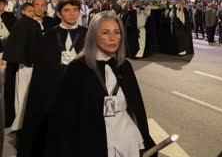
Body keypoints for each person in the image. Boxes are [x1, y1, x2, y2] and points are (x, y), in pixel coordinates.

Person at [50, 11, 156, 156]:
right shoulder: (78, 68)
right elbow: (67, 116)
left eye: (117, 32)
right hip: (93, 140)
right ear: (94, 36)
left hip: (126, 136)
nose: (113, 38)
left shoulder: (124, 66)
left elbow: (137, 107)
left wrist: (146, 138)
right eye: (106, 33)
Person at [17, 0, 87, 156]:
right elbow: (42, 70)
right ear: (59, 13)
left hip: (81, 91)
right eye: (67, 10)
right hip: (53, 92)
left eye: (75, 10)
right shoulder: (49, 36)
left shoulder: (87, 34)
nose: (72, 14)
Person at [3, 3, 42, 129]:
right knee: (26, 92)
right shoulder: (33, 24)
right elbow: (35, 45)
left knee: (20, 93)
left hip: (19, 64)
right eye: (30, 11)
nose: (32, 13)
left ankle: (18, 121)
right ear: (24, 11)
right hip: (29, 64)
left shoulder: (19, 24)